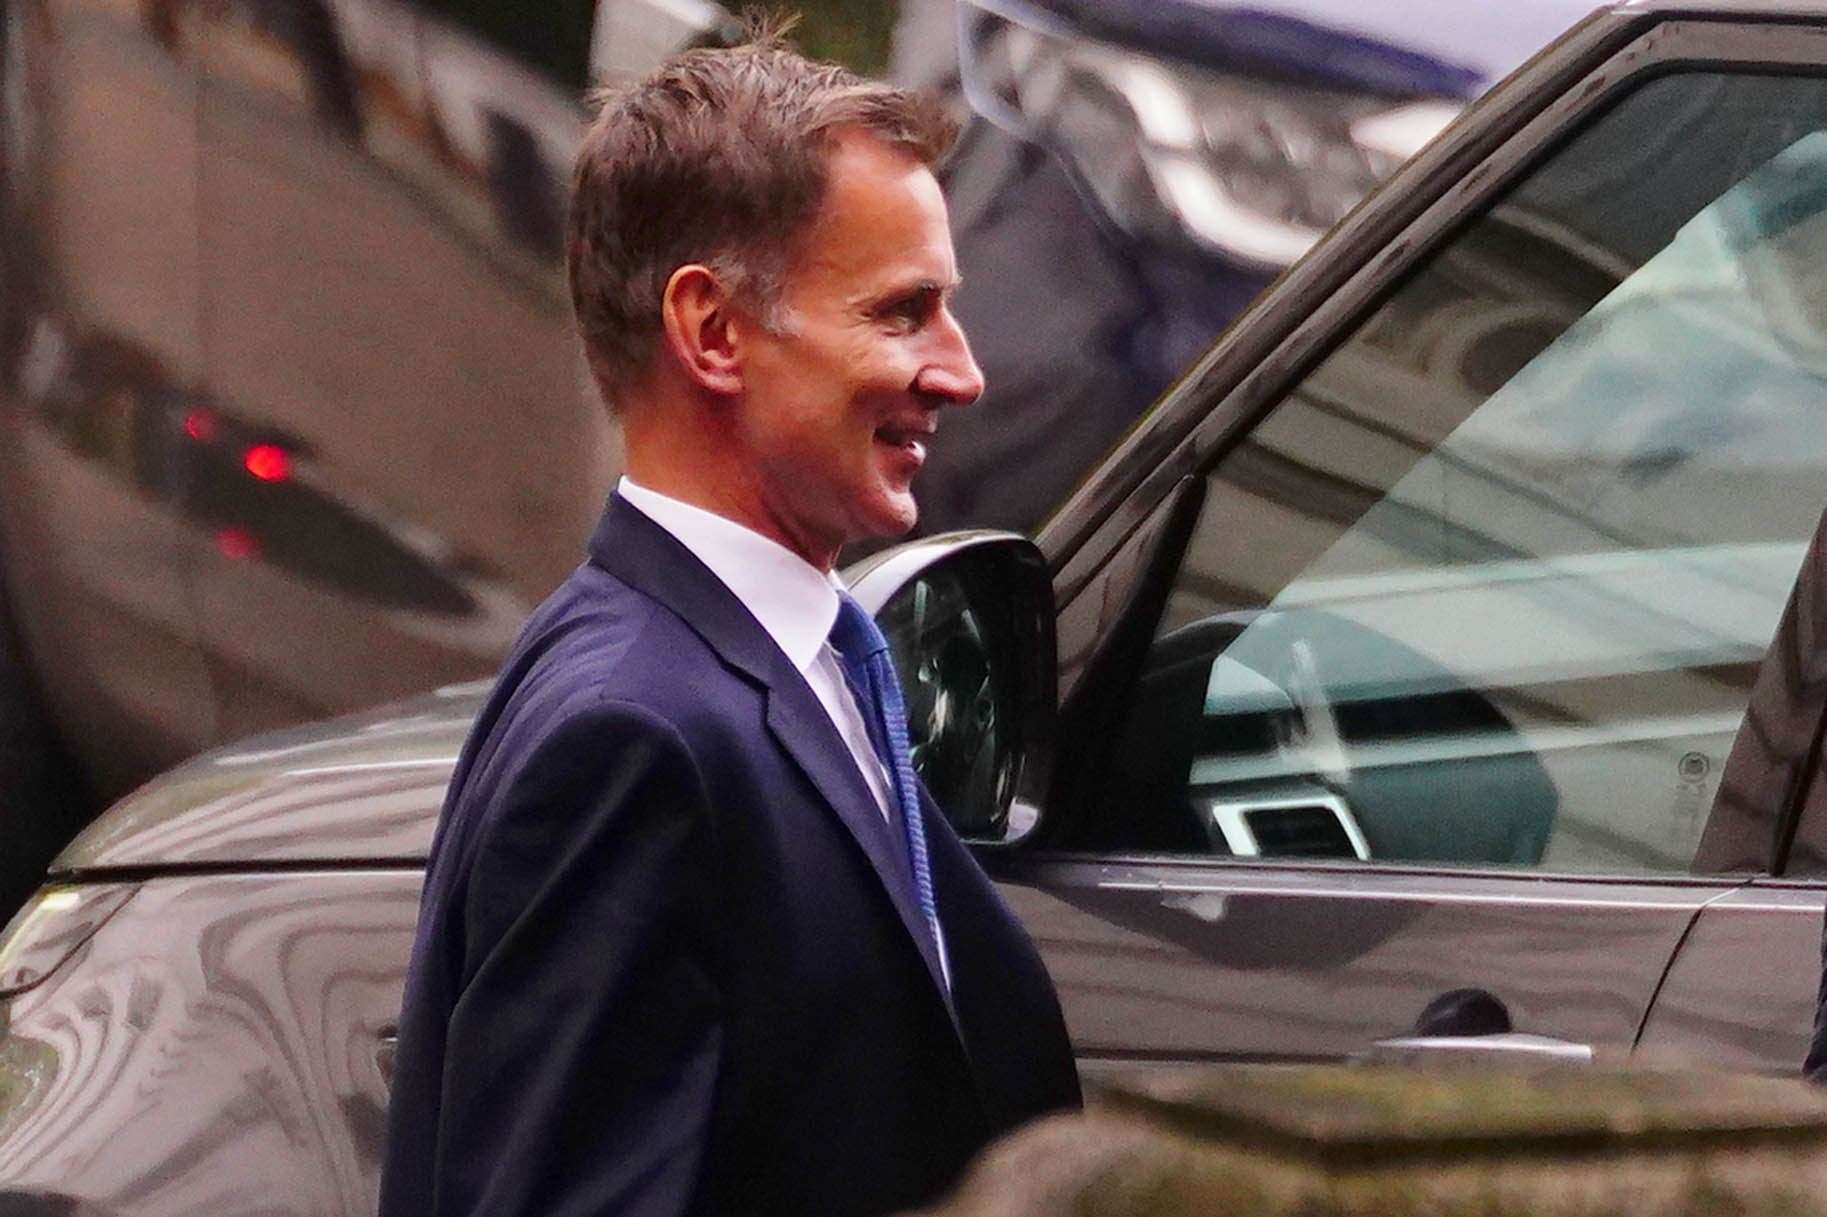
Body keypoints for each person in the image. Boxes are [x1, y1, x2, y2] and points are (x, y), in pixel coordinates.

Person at [377, 25, 1081, 1217]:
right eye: (903, 312)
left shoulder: (786, 666)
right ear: (711, 332)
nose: (961, 371)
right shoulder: (628, 742)